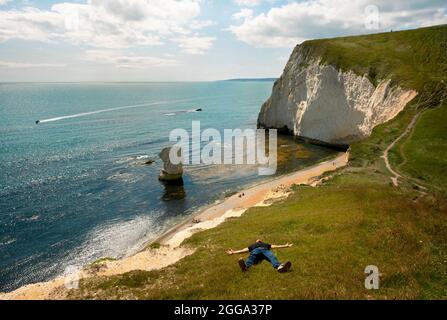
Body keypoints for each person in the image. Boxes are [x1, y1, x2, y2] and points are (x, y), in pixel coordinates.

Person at [226, 239, 293, 273]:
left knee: (271, 256)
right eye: (257, 240)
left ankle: (280, 267)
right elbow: (244, 250)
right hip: (256, 251)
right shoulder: (253, 245)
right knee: (252, 256)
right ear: (256, 242)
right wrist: (234, 252)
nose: (258, 240)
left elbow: (275, 246)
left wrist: (285, 246)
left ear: (261, 241)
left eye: (259, 240)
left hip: (265, 251)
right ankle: (245, 267)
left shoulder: (265, 244)